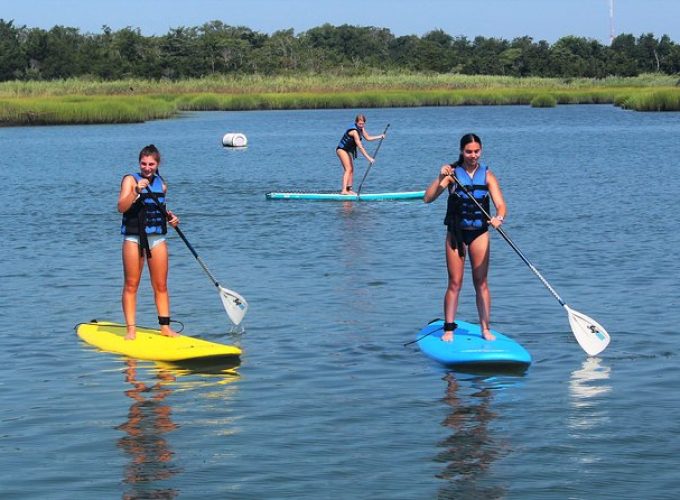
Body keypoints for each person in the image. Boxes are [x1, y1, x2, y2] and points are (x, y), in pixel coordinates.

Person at [424, 133, 507, 342]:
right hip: (456, 234)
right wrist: (440, 177)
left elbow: (501, 204)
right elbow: (428, 198)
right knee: (455, 282)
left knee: (481, 282)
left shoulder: (488, 175)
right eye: (469, 151)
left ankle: (486, 329)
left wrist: (499, 217)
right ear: (462, 151)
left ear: (481, 151)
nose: (473, 155)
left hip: (479, 232)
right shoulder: (452, 174)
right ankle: (449, 329)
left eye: (476, 151)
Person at [117, 144, 180, 340]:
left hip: (157, 238)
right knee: (131, 284)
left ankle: (165, 328)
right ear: (139, 163)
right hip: (134, 238)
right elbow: (121, 207)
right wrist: (135, 191)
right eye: (143, 164)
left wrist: (171, 218)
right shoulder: (130, 180)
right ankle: (131, 330)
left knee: (161, 285)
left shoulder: (161, 184)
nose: (147, 167)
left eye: (151, 164)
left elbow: (160, 209)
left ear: (157, 164)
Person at [336, 114, 386, 195]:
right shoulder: (354, 131)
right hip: (341, 150)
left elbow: (368, 138)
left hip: (347, 151)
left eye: (363, 124)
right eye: (360, 124)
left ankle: (349, 189)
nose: (361, 125)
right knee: (348, 169)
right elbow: (360, 147)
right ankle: (344, 190)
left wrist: (380, 136)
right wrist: (369, 158)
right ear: (356, 122)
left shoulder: (361, 128)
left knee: (352, 169)